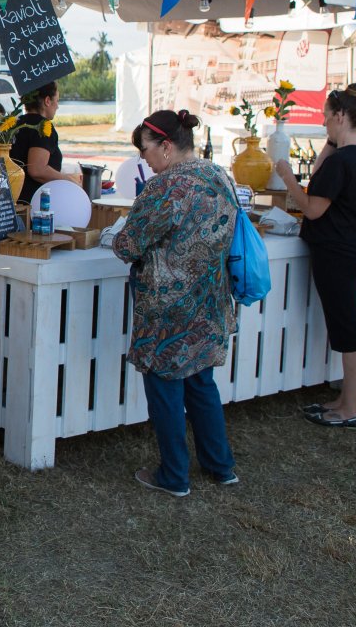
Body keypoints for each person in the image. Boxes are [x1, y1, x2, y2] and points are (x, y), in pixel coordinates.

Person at [112, 109, 239, 496]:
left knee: (165, 389)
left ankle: (174, 475)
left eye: (145, 149)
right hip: (210, 303)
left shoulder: (165, 188)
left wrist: (116, 237)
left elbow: (128, 245)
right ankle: (221, 467)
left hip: (167, 312)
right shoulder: (219, 176)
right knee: (201, 384)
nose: (144, 159)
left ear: (166, 146)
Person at [275, 86, 356, 429]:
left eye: (326, 116)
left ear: (340, 116)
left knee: (350, 332)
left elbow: (313, 208)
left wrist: (288, 178)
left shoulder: (342, 162)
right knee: (348, 328)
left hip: (335, 252)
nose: (322, 122)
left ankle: (352, 408)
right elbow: (323, 175)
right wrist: (332, 141)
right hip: (348, 248)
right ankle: (347, 400)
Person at [7, 81, 80, 203]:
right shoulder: (43, 127)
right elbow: (37, 170)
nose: (57, 106)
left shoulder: (15, 123)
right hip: (33, 204)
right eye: (57, 101)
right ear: (47, 101)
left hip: (11, 200)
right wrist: (69, 182)